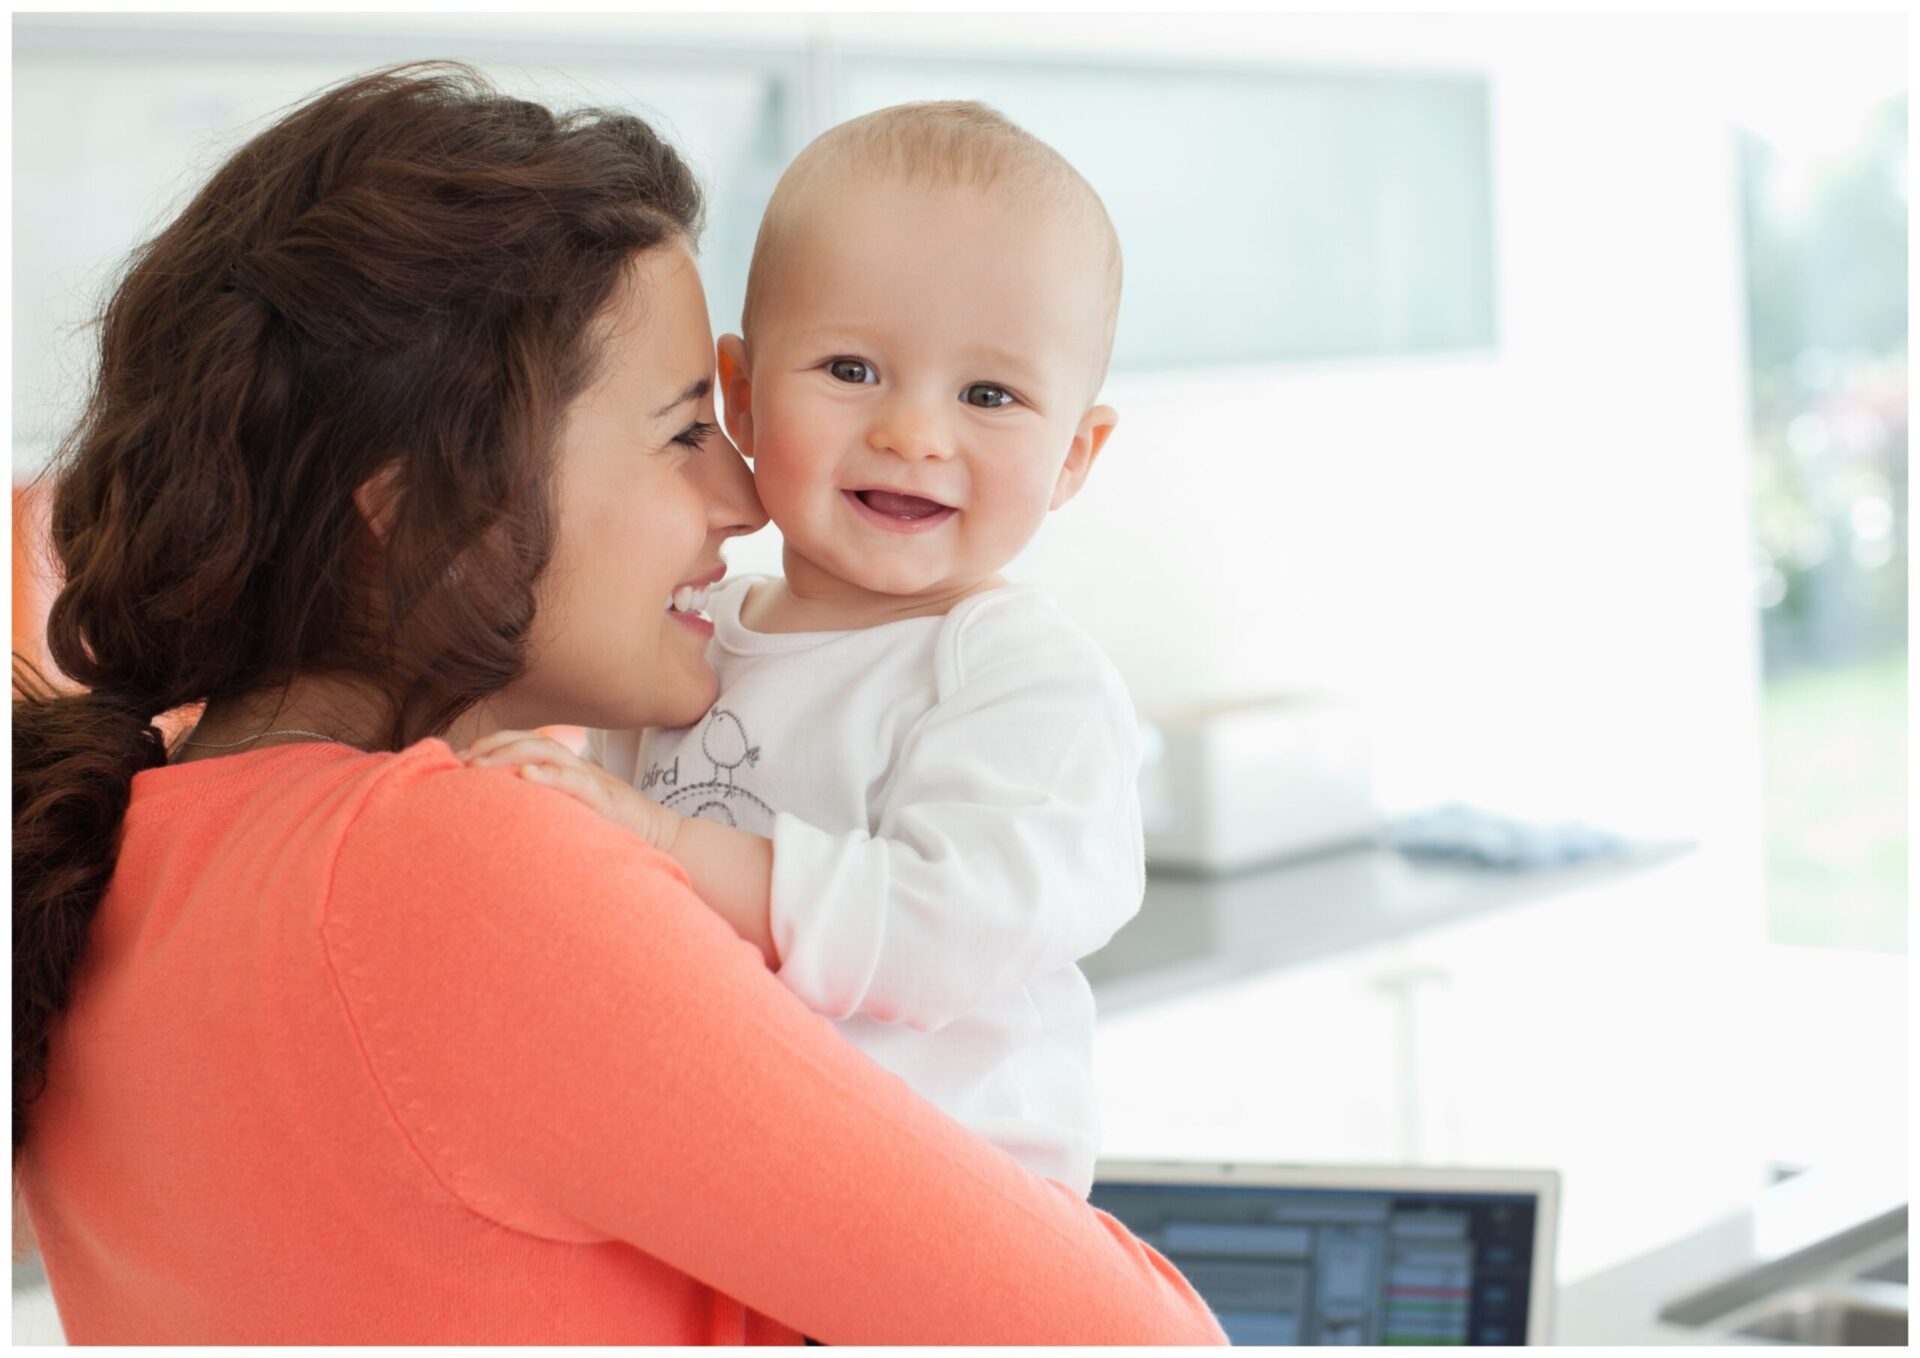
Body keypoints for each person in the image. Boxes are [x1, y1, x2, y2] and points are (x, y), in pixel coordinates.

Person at [9, 64, 1226, 1346]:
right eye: (687, 426)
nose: (747, 499)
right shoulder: (459, 862)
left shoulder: (121, 858)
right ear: (427, 500)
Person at [463, 102, 1137, 1201]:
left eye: (988, 394)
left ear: (1075, 453)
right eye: (851, 368)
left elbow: (941, 932)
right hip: (734, 1193)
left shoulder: (1020, 677)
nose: (914, 433)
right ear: (740, 392)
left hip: (946, 1216)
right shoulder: (690, 638)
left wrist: (651, 838)